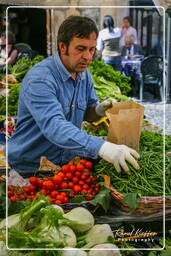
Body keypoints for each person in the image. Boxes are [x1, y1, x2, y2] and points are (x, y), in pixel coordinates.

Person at [8, 15, 140, 175]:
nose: (88, 57)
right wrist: (101, 147)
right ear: (62, 47)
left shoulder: (84, 75)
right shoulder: (41, 79)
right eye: (81, 49)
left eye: (92, 49)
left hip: (66, 165)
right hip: (31, 168)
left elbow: (87, 114)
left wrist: (98, 110)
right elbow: (54, 126)